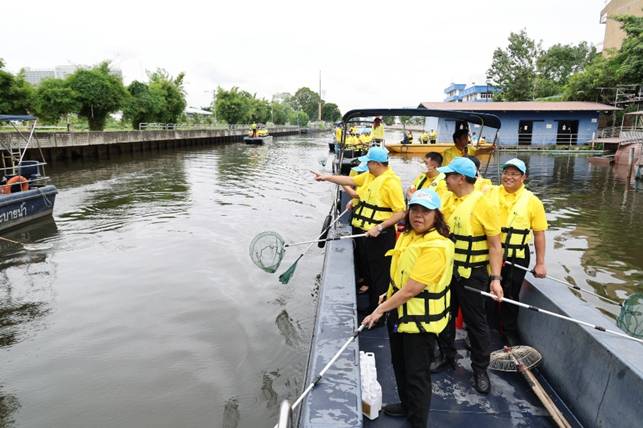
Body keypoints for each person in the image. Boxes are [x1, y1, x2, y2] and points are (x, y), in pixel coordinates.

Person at [362, 189, 454, 428]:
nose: (418, 216)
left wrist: (379, 310)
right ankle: (406, 404)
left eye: (425, 211)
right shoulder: (408, 235)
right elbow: (401, 275)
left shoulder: (436, 247)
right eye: (414, 209)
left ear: (436, 215)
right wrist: (386, 295)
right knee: (398, 364)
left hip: (419, 322)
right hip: (399, 314)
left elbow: (412, 289)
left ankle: (417, 421)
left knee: (416, 375)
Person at [431, 157, 504, 395]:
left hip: (472, 274)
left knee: (477, 323)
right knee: (444, 315)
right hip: (446, 271)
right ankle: (446, 355)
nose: (445, 179)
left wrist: (495, 279)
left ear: (460, 178)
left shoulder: (484, 204)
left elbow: (495, 245)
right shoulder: (448, 199)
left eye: (448, 176)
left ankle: (480, 370)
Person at [313, 147, 406, 314]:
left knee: (379, 276)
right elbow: (350, 181)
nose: (367, 165)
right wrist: (327, 177)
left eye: (369, 162)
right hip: (365, 235)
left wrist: (380, 227)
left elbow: (401, 212)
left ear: (377, 164)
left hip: (381, 236)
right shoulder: (371, 176)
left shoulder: (391, 182)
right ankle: (371, 305)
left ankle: (379, 313)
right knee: (368, 271)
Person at [486, 158, 548, 345]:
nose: (508, 177)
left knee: (510, 295)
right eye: (506, 173)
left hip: (517, 256)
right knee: (488, 292)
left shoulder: (533, 201)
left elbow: (539, 234)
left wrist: (541, 262)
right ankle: (488, 330)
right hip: (490, 253)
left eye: (514, 174)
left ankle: (509, 331)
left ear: (524, 177)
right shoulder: (489, 194)